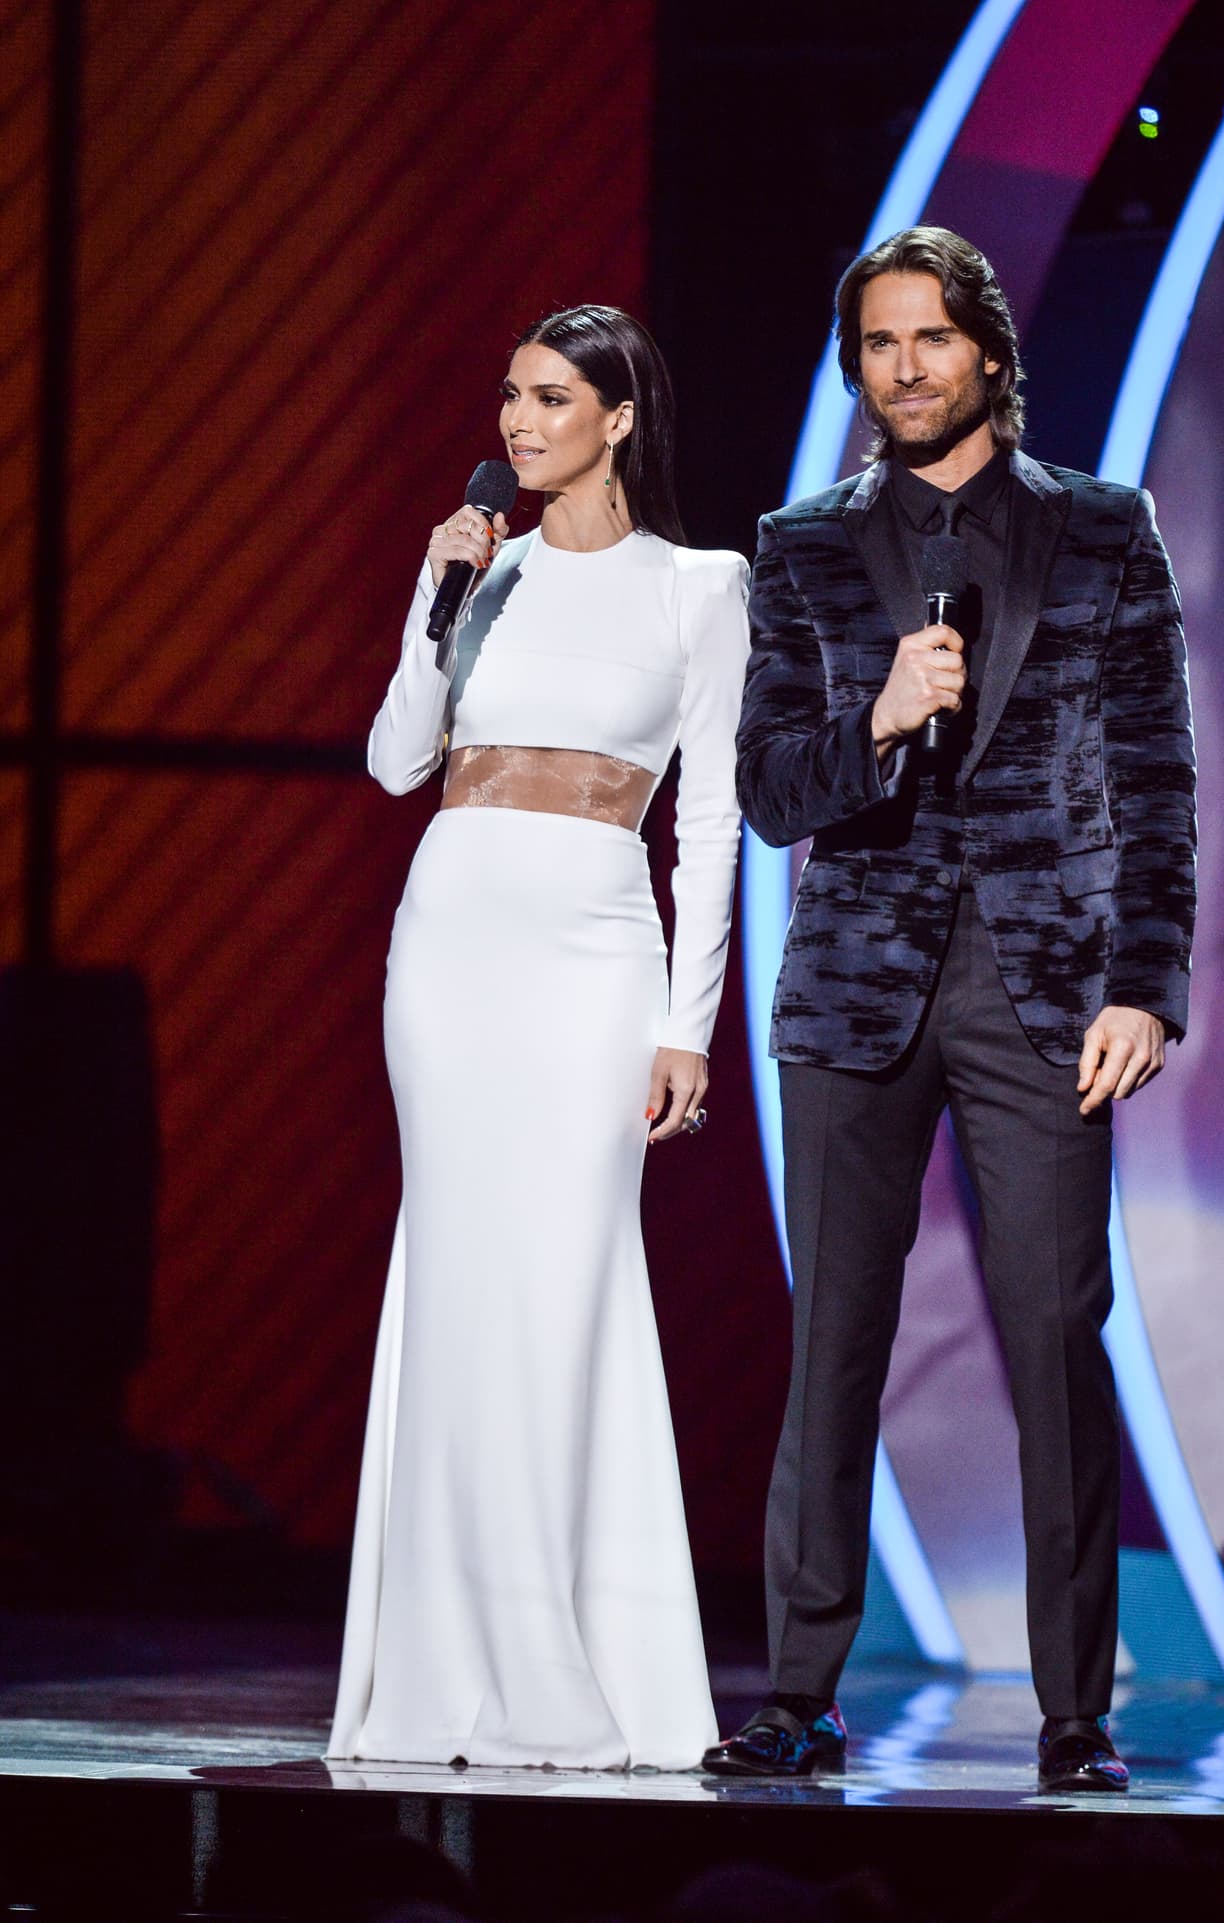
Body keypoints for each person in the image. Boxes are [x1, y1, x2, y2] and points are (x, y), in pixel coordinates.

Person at [703, 228, 1195, 1791]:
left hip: (1046, 995)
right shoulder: (800, 547)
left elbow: (1157, 778)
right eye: (878, 344)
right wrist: (878, 716)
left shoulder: (1103, 529)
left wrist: (1148, 985)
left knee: (1056, 1339)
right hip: (855, 988)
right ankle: (797, 1692)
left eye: (929, 337)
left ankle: (1075, 1714)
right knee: (835, 1343)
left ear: (986, 347)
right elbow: (769, 791)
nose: (904, 368)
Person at [327, 305, 750, 1771]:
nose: (518, 421)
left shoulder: (700, 586)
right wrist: (433, 602)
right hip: (451, 945)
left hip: (594, 958)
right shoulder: (481, 570)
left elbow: (711, 821)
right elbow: (397, 763)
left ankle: (574, 1656)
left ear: (619, 417)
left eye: (552, 397)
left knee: (567, 1287)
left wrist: (688, 1025)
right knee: (456, 1278)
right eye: (510, 394)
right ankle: (446, 1667)